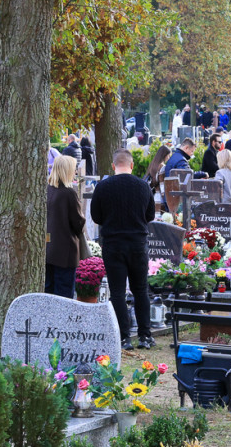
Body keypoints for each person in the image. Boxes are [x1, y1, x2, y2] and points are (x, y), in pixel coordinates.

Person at [90, 149, 156, 350]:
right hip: (137, 244)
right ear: (132, 165)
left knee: (117, 292)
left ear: (113, 166)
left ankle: (123, 337)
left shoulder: (103, 187)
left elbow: (96, 217)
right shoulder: (142, 187)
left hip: (113, 244)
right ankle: (145, 335)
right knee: (140, 289)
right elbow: (150, 215)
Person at [45, 155, 85, 298]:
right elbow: (78, 223)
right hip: (65, 251)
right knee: (63, 295)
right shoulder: (68, 193)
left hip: (47, 249)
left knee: (47, 292)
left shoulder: (46, 190)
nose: (74, 172)